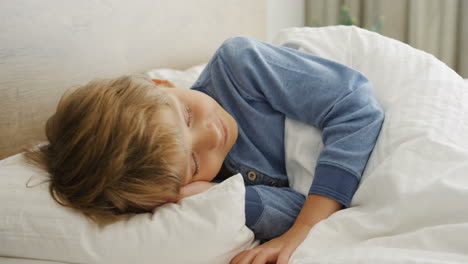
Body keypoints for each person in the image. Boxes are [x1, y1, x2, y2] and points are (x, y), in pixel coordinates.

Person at [25, 37, 384, 264]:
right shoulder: (214, 188)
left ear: (161, 84)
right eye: (194, 162)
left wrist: (305, 228)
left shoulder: (239, 68)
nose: (212, 135)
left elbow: (355, 106)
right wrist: (220, 197)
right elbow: (296, 201)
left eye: (186, 115)